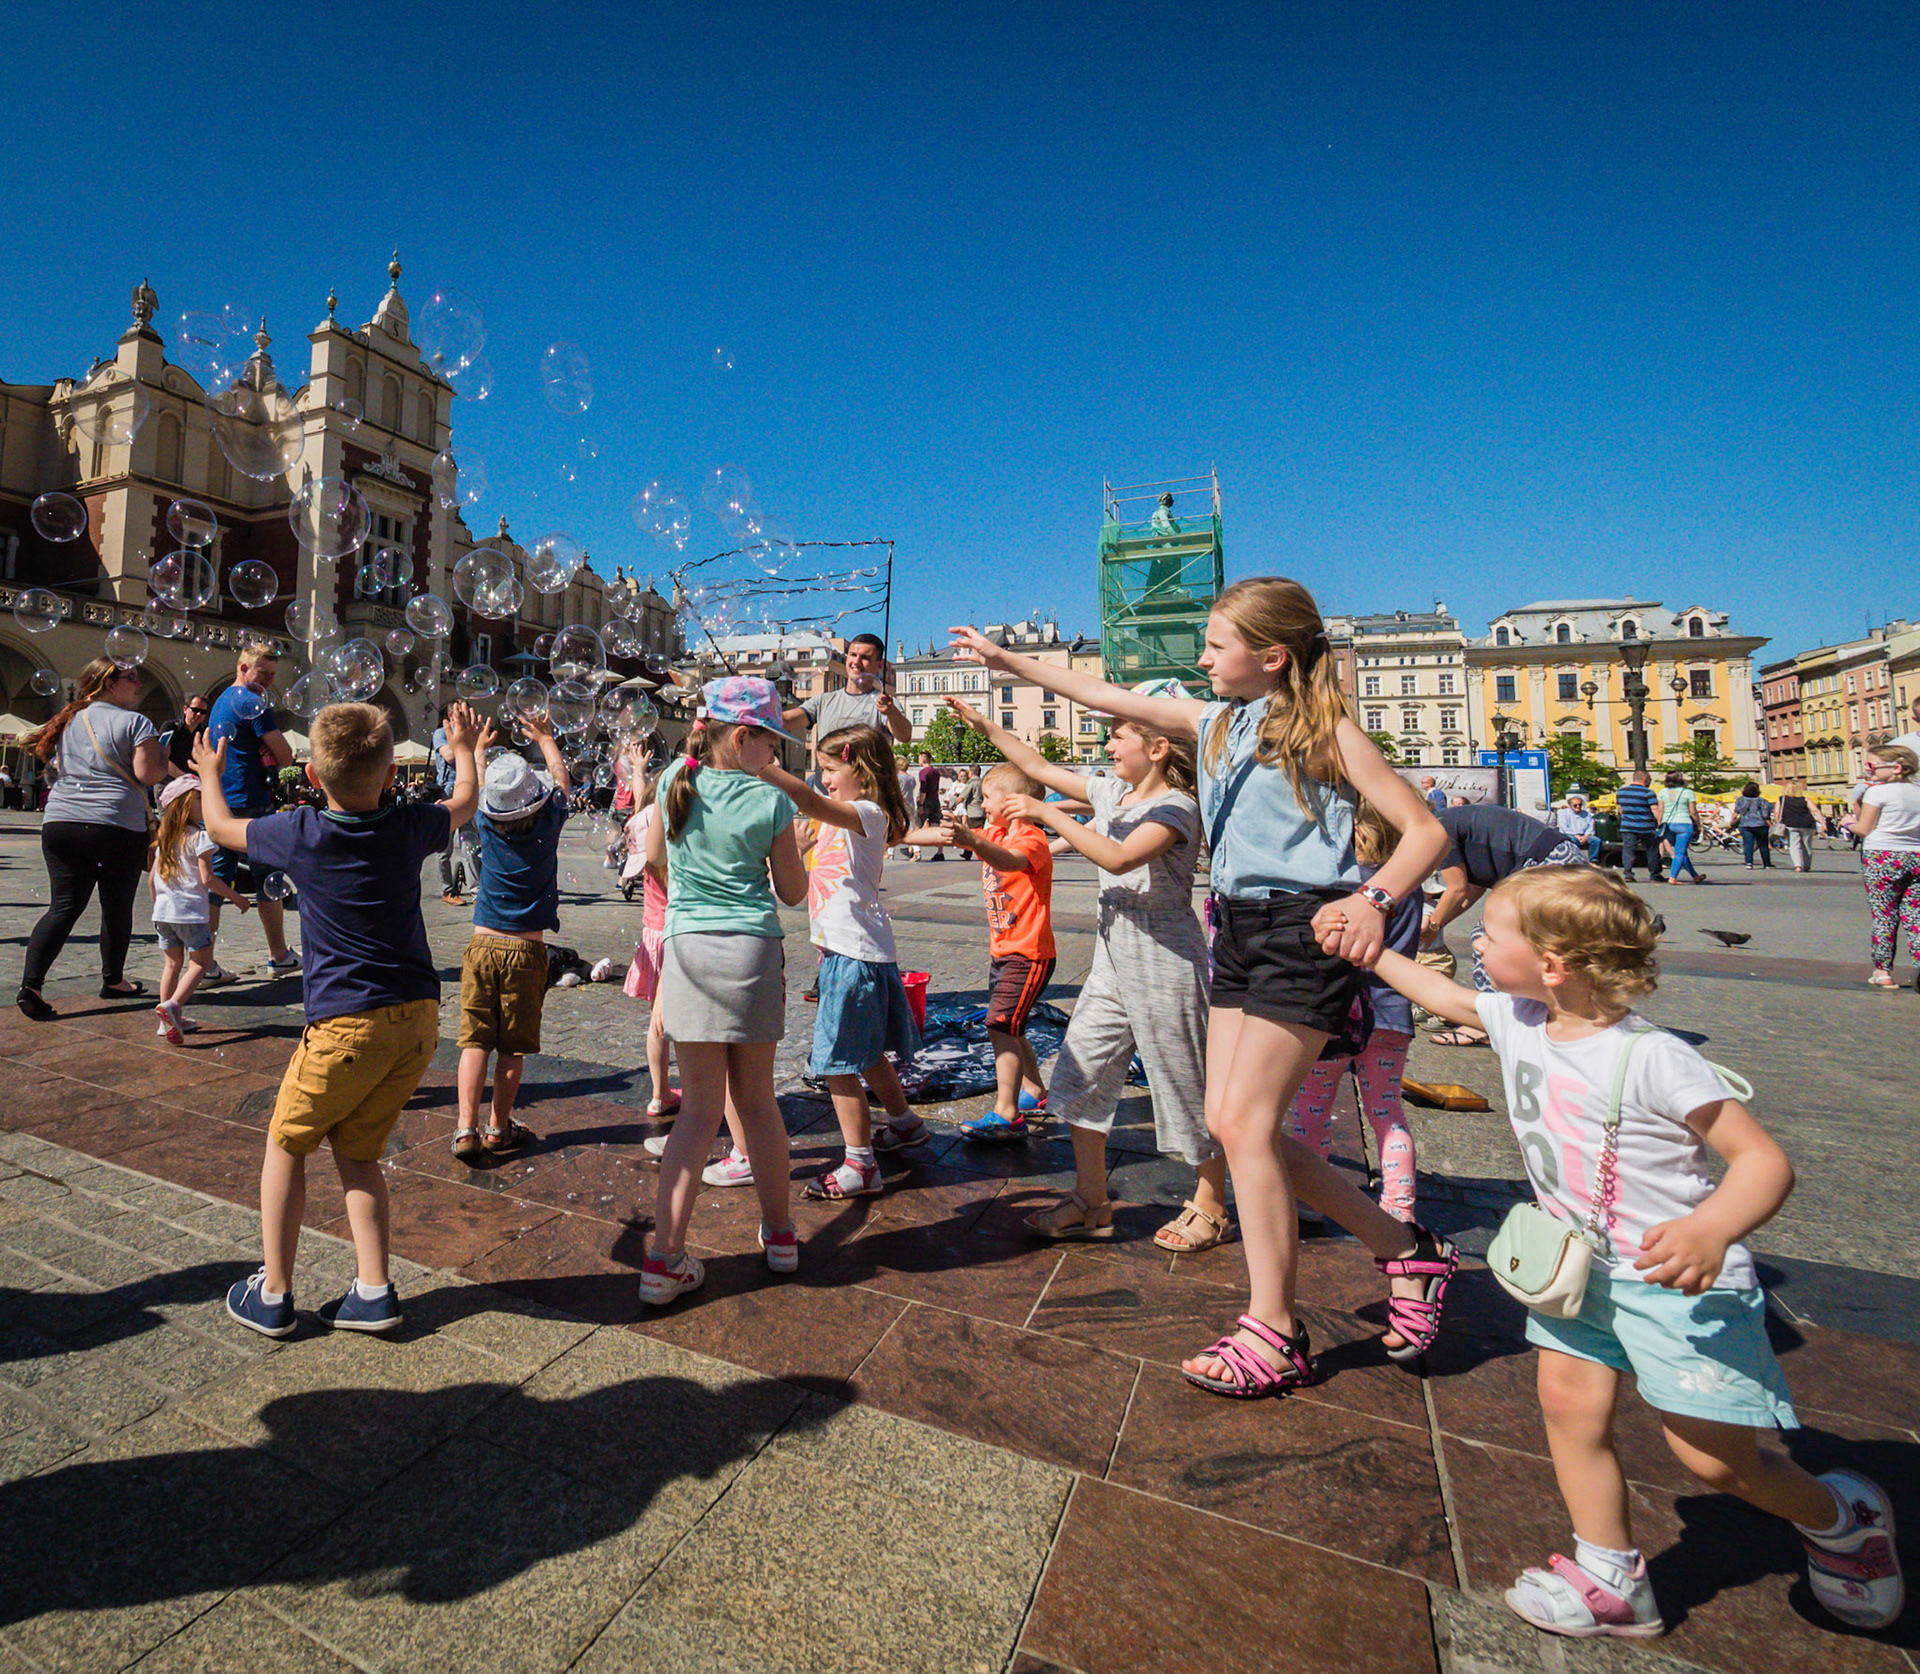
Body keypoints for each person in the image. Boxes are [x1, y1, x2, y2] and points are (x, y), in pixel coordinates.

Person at [1364, 865, 1903, 1640]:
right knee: (1568, 1408)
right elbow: (1442, 997)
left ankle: (1841, 1517)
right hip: (1575, 1272)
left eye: (1492, 931)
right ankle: (1610, 1573)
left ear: (1553, 964)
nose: (1477, 939)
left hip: (1676, 1283)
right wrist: (1369, 946)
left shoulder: (1652, 1056)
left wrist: (1711, 1228)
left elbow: (1763, 1164)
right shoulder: (1520, 1018)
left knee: (1715, 1461)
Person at [951, 576, 1458, 1397]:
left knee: (1247, 1124)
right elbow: (1096, 688)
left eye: (1217, 645)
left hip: (1305, 928)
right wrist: (1007, 661)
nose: (1204, 659)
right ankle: (1407, 1249)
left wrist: (1374, 898)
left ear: (1272, 656)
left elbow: (1425, 831)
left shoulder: (1324, 728)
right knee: (1235, 1125)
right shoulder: (1214, 721)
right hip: (1239, 928)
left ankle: (1275, 1328)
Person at [204, 701, 481, 1337]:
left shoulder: (298, 831)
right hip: (417, 1023)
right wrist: (463, 746)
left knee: (286, 1142)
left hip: (345, 1027)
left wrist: (211, 770)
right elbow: (464, 800)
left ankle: (272, 1293)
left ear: (312, 776)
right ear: (391, 775)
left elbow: (220, 828)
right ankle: (372, 1291)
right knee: (358, 1152)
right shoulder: (409, 826)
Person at [946, 696, 1223, 1252]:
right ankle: (1092, 1202)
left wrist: (1048, 813)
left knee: (1184, 1081)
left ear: (1158, 747)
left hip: (1164, 958)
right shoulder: (1111, 792)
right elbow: (1042, 769)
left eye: (1118, 737)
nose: (1107, 746)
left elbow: (1120, 859)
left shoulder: (1177, 806)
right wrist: (982, 724)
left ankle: (1211, 1204)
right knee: (1078, 1076)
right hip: (1113, 958)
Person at [640, 678, 808, 1306]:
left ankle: (664, 1261)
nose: (776, 754)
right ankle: (782, 1236)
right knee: (758, 1103)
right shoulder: (770, 802)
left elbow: (652, 857)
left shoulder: (671, 784)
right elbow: (791, 893)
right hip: (752, 951)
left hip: (687, 950)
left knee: (699, 1111)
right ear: (743, 736)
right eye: (771, 742)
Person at [755, 724, 947, 1196]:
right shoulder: (835, 822)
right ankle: (903, 1123)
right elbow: (799, 883)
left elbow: (813, 801)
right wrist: (797, 851)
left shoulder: (867, 814)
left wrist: (768, 768)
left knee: (838, 1062)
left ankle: (861, 1166)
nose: (823, 780)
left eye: (830, 769)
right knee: (865, 1054)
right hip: (847, 952)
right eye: (819, 771)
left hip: (856, 954)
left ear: (861, 770)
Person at [1287, 801, 1425, 1353]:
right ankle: (1399, 1204)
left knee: (1311, 1109)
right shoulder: (1406, 887)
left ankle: (1306, 1198)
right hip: (1393, 1015)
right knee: (1386, 1110)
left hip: (1338, 1013)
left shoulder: (1345, 888)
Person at [16, 658, 170, 1020]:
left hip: (60, 823)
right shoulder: (135, 722)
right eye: (132, 678)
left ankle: (31, 985)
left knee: (63, 907)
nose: (139, 685)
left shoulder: (69, 719)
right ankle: (113, 979)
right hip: (114, 825)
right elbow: (147, 774)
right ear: (108, 683)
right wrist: (164, 757)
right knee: (116, 906)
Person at [451, 713, 571, 1160]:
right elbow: (561, 778)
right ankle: (499, 1127)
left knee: (474, 1040)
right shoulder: (550, 824)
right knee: (511, 1048)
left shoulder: (484, 825)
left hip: (481, 947)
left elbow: (478, 787)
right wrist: (544, 736)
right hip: (527, 950)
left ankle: (465, 1128)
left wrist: (477, 749)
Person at [939, 762, 1058, 1141]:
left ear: (1011, 803)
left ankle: (1007, 1112)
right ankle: (1035, 1091)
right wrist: (894, 834)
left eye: (987, 797)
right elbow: (951, 839)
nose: (981, 803)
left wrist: (973, 842)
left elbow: (1011, 862)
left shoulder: (1032, 839)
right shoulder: (997, 833)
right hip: (1005, 953)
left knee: (999, 1025)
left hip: (1029, 954)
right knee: (1011, 1025)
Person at [1420, 801, 1589, 1046]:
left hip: (1546, 862)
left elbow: (1457, 890)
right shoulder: (1450, 820)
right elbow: (1472, 890)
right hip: (1559, 856)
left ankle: (1486, 1025)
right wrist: (1438, 923)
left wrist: (1432, 927)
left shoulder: (1437, 828)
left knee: (1489, 937)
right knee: (1542, 944)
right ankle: (1548, 1013)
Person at [203, 643, 298, 974]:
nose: (270, 680)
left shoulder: (221, 700)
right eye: (263, 672)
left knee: (216, 879)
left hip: (221, 800)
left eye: (273, 674)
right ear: (243, 668)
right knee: (268, 878)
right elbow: (285, 755)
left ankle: (204, 964)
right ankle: (280, 955)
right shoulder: (252, 701)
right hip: (251, 801)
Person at [148, 775, 251, 1043]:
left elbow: (151, 880)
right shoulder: (199, 837)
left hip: (163, 913)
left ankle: (166, 1020)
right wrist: (237, 897)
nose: (205, 803)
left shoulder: (165, 841)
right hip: (189, 913)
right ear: (185, 805)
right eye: (200, 799)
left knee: (172, 963)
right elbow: (208, 879)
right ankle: (173, 1006)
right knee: (201, 963)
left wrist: (158, 906)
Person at [1855, 744, 1920, 991]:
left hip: (1882, 855)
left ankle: (1883, 972)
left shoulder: (1878, 793)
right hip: (1916, 855)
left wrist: (1849, 822)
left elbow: (1864, 829)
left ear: (1895, 768)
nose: (1867, 769)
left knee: (1884, 915)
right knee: (1915, 916)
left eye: (1871, 765)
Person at [781, 632, 912, 748]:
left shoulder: (884, 704)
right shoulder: (823, 701)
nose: (856, 661)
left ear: (879, 665)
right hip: (827, 776)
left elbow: (904, 736)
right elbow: (786, 720)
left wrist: (892, 712)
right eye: (853, 655)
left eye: (865, 657)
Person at [431, 706, 473, 904]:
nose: (465, 716)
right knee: (444, 847)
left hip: (468, 789)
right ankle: (448, 891)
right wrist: (466, 745)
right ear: (450, 715)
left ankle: (477, 891)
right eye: (461, 712)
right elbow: (449, 756)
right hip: (448, 792)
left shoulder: (467, 735)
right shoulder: (441, 733)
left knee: (471, 843)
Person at [1614, 770, 1661, 882]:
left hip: (1628, 826)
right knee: (1651, 850)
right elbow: (1654, 809)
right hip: (1646, 826)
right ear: (1645, 779)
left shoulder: (1621, 792)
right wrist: (1660, 822)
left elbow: (1620, 809)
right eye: (1650, 780)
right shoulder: (1649, 793)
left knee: (1628, 850)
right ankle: (1655, 874)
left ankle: (1628, 873)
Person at [1659, 772, 1704, 884]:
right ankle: (1673, 877)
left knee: (1681, 852)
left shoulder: (1662, 792)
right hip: (1684, 823)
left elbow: (1660, 810)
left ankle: (1695, 876)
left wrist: (1659, 823)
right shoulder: (1688, 792)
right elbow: (1693, 811)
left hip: (1668, 824)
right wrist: (1698, 825)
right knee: (1680, 852)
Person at [158, 693, 211, 781]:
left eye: (203, 712)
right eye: (195, 710)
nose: (198, 714)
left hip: (194, 783)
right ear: (185, 709)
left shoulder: (205, 732)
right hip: (168, 781)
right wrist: (184, 777)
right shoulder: (170, 727)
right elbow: (160, 755)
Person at [913, 750, 950, 860]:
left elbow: (923, 789)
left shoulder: (924, 772)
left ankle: (917, 852)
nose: (918, 760)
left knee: (917, 825)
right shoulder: (935, 772)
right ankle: (940, 852)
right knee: (936, 826)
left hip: (927, 801)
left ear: (923, 759)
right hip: (935, 800)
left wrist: (920, 804)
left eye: (919, 758)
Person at [1730, 781, 1774, 870]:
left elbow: (1736, 812)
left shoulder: (1740, 800)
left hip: (1745, 824)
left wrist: (1732, 822)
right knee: (1763, 844)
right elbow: (1765, 814)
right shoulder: (1762, 800)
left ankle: (1749, 862)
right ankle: (1767, 863)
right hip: (1760, 825)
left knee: (1747, 844)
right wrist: (1770, 824)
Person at [1777, 788, 1818, 873]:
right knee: (1807, 846)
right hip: (1807, 824)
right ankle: (1806, 865)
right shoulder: (1806, 799)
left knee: (1794, 845)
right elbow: (1815, 810)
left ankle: (1798, 866)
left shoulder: (1782, 799)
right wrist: (1822, 823)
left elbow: (1777, 812)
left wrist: (1777, 823)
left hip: (1790, 824)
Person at [1556, 793, 1600, 862]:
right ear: (1570, 805)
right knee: (1573, 840)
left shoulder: (1587, 814)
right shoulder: (1563, 813)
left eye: (1580, 805)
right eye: (1575, 805)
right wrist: (1577, 836)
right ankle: (1576, 859)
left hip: (1584, 834)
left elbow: (1590, 826)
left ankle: (1593, 859)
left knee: (1596, 840)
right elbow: (1564, 827)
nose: (1578, 806)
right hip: (1570, 834)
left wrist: (1586, 836)